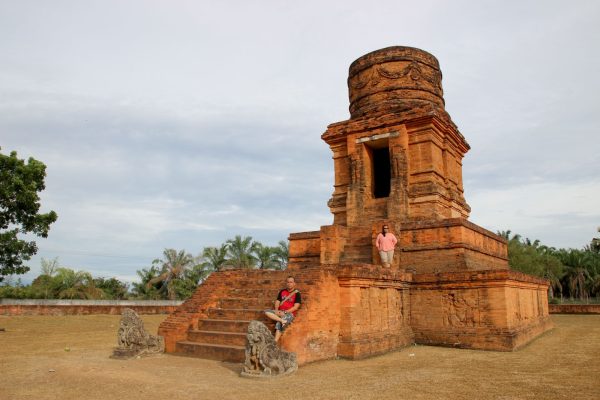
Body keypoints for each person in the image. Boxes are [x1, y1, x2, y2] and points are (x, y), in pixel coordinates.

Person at [264, 276, 301, 342]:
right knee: (267, 311)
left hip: (289, 313)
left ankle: (275, 342)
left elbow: (296, 307)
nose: (289, 283)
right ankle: (282, 320)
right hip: (280, 312)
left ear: (294, 283)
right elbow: (277, 301)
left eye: (291, 282)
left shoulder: (297, 293)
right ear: (286, 283)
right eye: (288, 282)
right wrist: (276, 310)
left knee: (279, 323)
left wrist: (286, 312)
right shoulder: (282, 291)